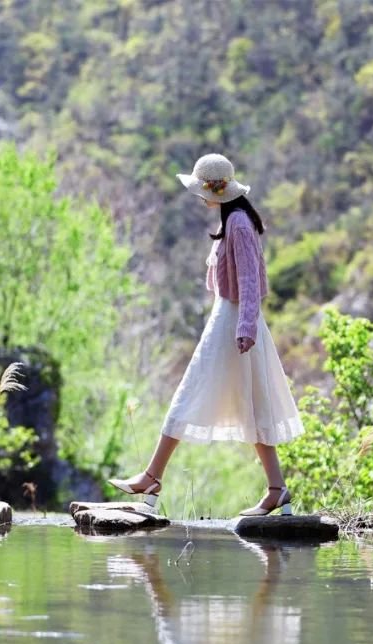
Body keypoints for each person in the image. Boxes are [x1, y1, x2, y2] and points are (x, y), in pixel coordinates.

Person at [109, 152, 305, 516]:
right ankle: (276, 488)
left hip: (234, 322)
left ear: (215, 191)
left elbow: (249, 281)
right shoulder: (233, 220)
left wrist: (245, 327)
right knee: (250, 403)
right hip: (230, 318)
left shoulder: (239, 224)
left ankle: (152, 477)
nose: (200, 197)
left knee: (194, 394)